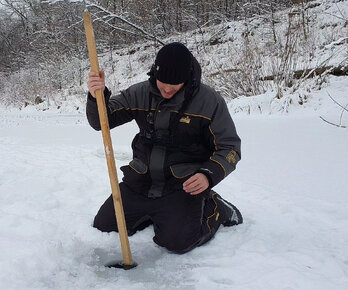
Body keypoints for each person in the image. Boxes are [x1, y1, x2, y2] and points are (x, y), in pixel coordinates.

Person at [86, 42, 243, 253]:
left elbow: (230, 148)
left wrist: (208, 175)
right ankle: (159, 214)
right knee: (104, 226)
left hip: (182, 186)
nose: (168, 89)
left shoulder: (209, 101)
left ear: (187, 77)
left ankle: (216, 206)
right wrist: (98, 95)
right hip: (141, 182)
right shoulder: (140, 92)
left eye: (175, 84)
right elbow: (101, 121)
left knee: (178, 243)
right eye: (163, 83)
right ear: (154, 74)